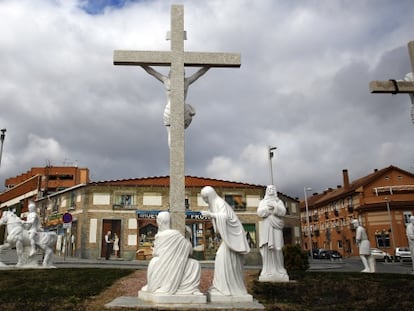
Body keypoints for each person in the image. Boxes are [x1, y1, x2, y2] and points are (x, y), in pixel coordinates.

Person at [200, 186, 251, 298]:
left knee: (222, 259)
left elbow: (225, 217)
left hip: (233, 238)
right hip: (228, 240)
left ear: (211, 195)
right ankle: (222, 287)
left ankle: (228, 288)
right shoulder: (216, 204)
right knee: (220, 259)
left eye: (206, 198)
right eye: (204, 199)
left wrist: (210, 215)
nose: (206, 201)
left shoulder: (220, 203)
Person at [141, 65, 210, 147]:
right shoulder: (176, 81)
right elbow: (151, 71)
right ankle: (176, 157)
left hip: (179, 109)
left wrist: (210, 65)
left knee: (176, 135)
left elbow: (199, 73)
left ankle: (177, 156)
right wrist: (141, 64)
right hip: (174, 109)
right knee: (173, 134)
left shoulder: (174, 81)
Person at [139, 211, 202, 296]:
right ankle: (187, 288)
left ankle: (161, 285)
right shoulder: (177, 235)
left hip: (166, 262)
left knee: (155, 261)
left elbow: (156, 253)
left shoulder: (160, 236)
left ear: (159, 222)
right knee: (195, 264)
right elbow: (189, 250)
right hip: (177, 262)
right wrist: (187, 238)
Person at [257, 185, 289, 281]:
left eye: (272, 189)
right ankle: (267, 270)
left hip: (276, 226)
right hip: (267, 227)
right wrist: (267, 209)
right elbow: (259, 212)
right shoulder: (263, 202)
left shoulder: (279, 202)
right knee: (267, 248)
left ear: (275, 191)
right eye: (269, 189)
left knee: (278, 248)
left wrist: (275, 207)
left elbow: (283, 212)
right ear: (267, 191)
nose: (271, 190)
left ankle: (279, 269)